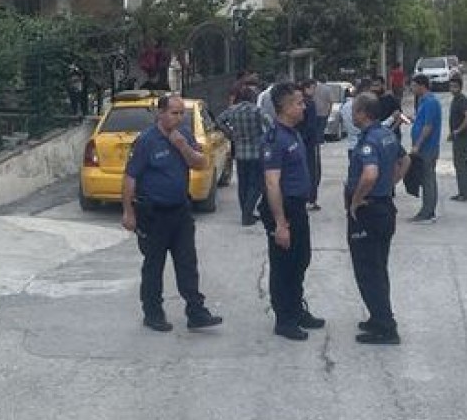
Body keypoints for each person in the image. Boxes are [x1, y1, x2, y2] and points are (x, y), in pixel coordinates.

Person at [121, 93, 224, 332]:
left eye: (181, 113)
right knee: (154, 265)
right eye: (174, 113)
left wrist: (182, 146)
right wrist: (128, 212)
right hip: (153, 214)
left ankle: (196, 312)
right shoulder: (147, 141)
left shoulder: (184, 135)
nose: (178, 118)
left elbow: (200, 163)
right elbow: (130, 177)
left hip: (180, 211)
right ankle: (153, 313)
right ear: (161, 113)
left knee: (187, 263)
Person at [261, 82, 325, 341]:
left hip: (297, 207)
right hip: (283, 208)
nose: (304, 107)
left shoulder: (293, 134)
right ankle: (285, 319)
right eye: (299, 103)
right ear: (285, 107)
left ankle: (297, 309)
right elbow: (272, 183)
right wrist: (280, 223)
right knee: (283, 265)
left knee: (300, 260)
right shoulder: (274, 139)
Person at [345, 92, 411, 344]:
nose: (352, 114)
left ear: (363, 113)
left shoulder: (369, 141)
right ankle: (378, 316)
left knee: (368, 271)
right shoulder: (386, 135)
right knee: (378, 267)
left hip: (369, 212)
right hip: (384, 208)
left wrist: (356, 200)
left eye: (355, 110)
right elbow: (405, 160)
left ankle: (385, 327)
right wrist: (391, 183)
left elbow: (370, 174)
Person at [217, 85, 273, 226]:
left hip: (240, 152)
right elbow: (271, 125)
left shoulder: (232, 110)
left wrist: (230, 133)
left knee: (243, 184)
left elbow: (219, 120)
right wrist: (265, 138)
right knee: (257, 184)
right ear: (252, 98)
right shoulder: (257, 111)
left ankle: (245, 212)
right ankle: (247, 214)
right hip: (256, 152)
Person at [408, 74, 443, 222]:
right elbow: (422, 121)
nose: (412, 88)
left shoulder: (430, 102)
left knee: (428, 179)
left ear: (422, 86)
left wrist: (418, 144)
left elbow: (428, 126)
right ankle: (427, 209)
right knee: (425, 178)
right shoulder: (423, 101)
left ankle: (428, 212)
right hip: (424, 148)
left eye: (414, 85)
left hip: (427, 148)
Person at [297, 79, 324, 211]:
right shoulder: (310, 103)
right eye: (313, 88)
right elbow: (311, 125)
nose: (314, 91)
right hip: (309, 143)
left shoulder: (297, 103)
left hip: (298, 140)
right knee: (313, 171)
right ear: (306, 88)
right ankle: (311, 199)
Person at [446, 76, 467, 202]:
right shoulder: (455, 99)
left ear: (460, 87)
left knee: (461, 164)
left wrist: (458, 130)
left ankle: (465, 193)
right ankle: (463, 191)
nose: (452, 89)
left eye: (455, 86)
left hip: (462, 137)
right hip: (457, 137)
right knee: (459, 164)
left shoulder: (462, 99)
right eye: (451, 86)